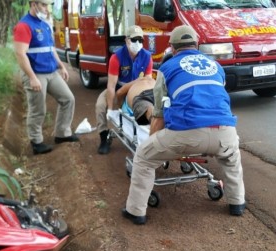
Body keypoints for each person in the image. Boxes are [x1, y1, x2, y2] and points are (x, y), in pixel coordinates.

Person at [122, 25, 246, 225]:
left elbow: (160, 112)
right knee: (232, 159)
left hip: (187, 132)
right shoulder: (217, 67)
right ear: (196, 44)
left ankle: (136, 211)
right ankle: (237, 203)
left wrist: (153, 143)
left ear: (171, 47)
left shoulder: (167, 68)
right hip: (225, 131)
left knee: (143, 158)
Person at [14, 0, 78, 155]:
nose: (46, 9)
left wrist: (61, 66)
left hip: (51, 72)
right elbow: (20, 54)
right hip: (35, 73)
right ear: (33, 4)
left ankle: (62, 134)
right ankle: (36, 142)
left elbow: (51, 49)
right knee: (38, 109)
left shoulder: (45, 24)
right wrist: (32, 77)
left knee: (68, 99)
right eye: (43, 5)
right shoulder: (24, 26)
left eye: (48, 5)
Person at [95, 25, 153, 154]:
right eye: (134, 40)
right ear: (126, 40)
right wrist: (110, 109)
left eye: (140, 40)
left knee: (146, 108)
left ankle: (147, 136)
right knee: (100, 106)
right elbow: (111, 86)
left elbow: (147, 82)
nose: (137, 43)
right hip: (118, 88)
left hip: (137, 91)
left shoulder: (147, 57)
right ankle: (104, 138)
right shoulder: (116, 58)